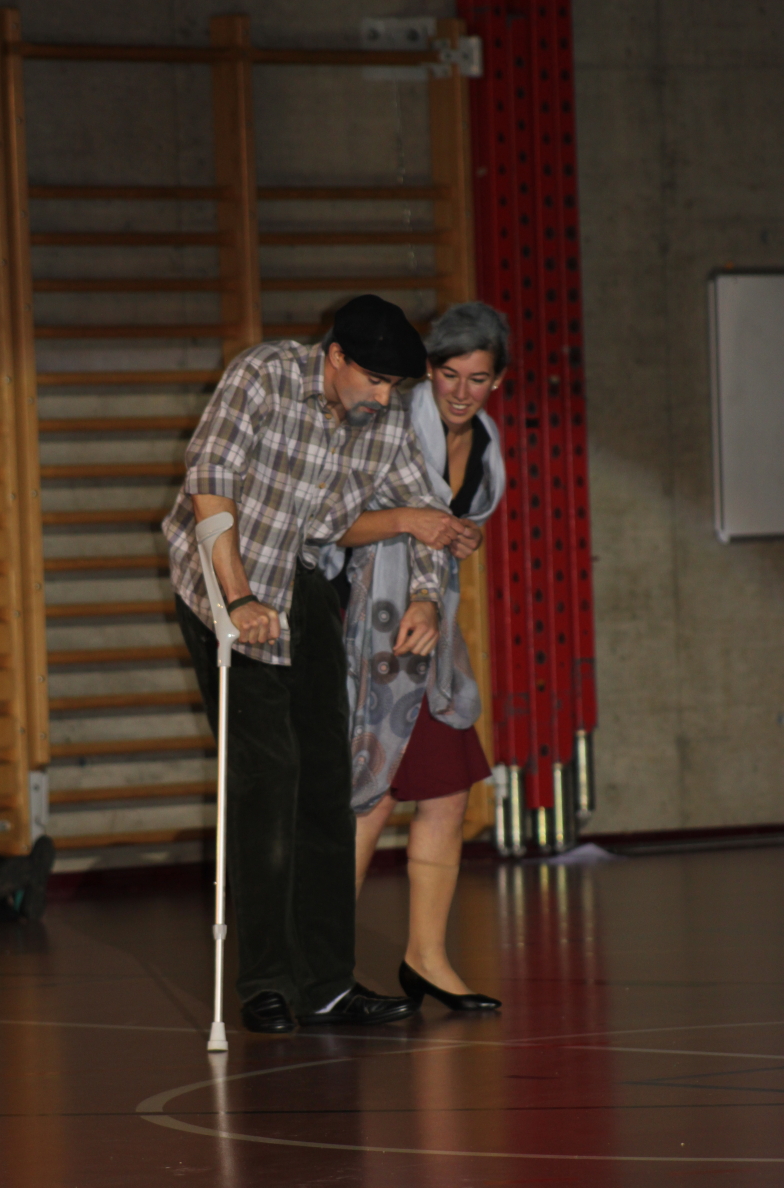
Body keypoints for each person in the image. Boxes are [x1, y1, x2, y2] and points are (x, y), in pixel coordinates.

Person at [163, 294, 470, 1034]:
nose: (384, 398)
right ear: (336, 357)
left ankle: (327, 984)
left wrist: (426, 598)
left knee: (329, 781)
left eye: (394, 386)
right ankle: (267, 981)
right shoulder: (263, 376)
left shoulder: (382, 416)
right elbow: (210, 487)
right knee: (269, 777)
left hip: (297, 579)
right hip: (223, 579)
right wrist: (238, 601)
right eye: (374, 381)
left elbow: (423, 509)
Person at [333, 302, 508, 1012]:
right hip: (364, 622)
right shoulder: (388, 422)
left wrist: (458, 539)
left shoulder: (485, 442)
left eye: (478, 378)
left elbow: (448, 530)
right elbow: (331, 524)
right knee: (369, 796)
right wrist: (414, 523)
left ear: (497, 381)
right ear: (427, 371)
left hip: (428, 628)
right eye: (448, 374)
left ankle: (426, 957)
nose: (462, 392)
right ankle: (326, 966)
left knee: (446, 791)